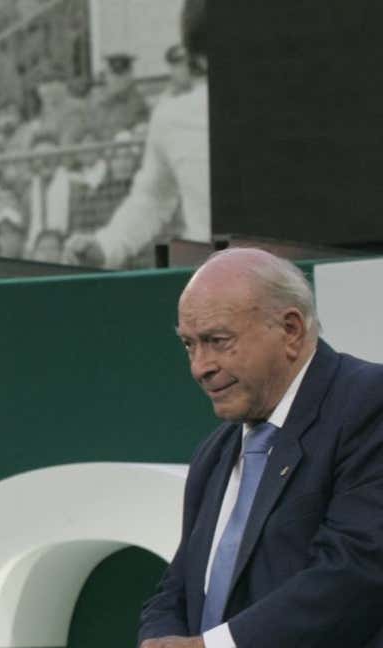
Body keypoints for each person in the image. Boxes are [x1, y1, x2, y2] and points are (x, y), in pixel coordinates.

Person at [139, 248, 383, 648]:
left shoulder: (369, 405)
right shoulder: (214, 453)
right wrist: (160, 640)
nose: (200, 366)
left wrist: (213, 647)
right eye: (189, 345)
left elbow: (355, 571)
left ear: (290, 330)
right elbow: (177, 588)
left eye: (218, 341)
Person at [64, 0, 209, 268]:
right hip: (216, 279)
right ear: (199, 55)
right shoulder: (172, 118)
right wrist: (106, 245)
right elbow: (152, 197)